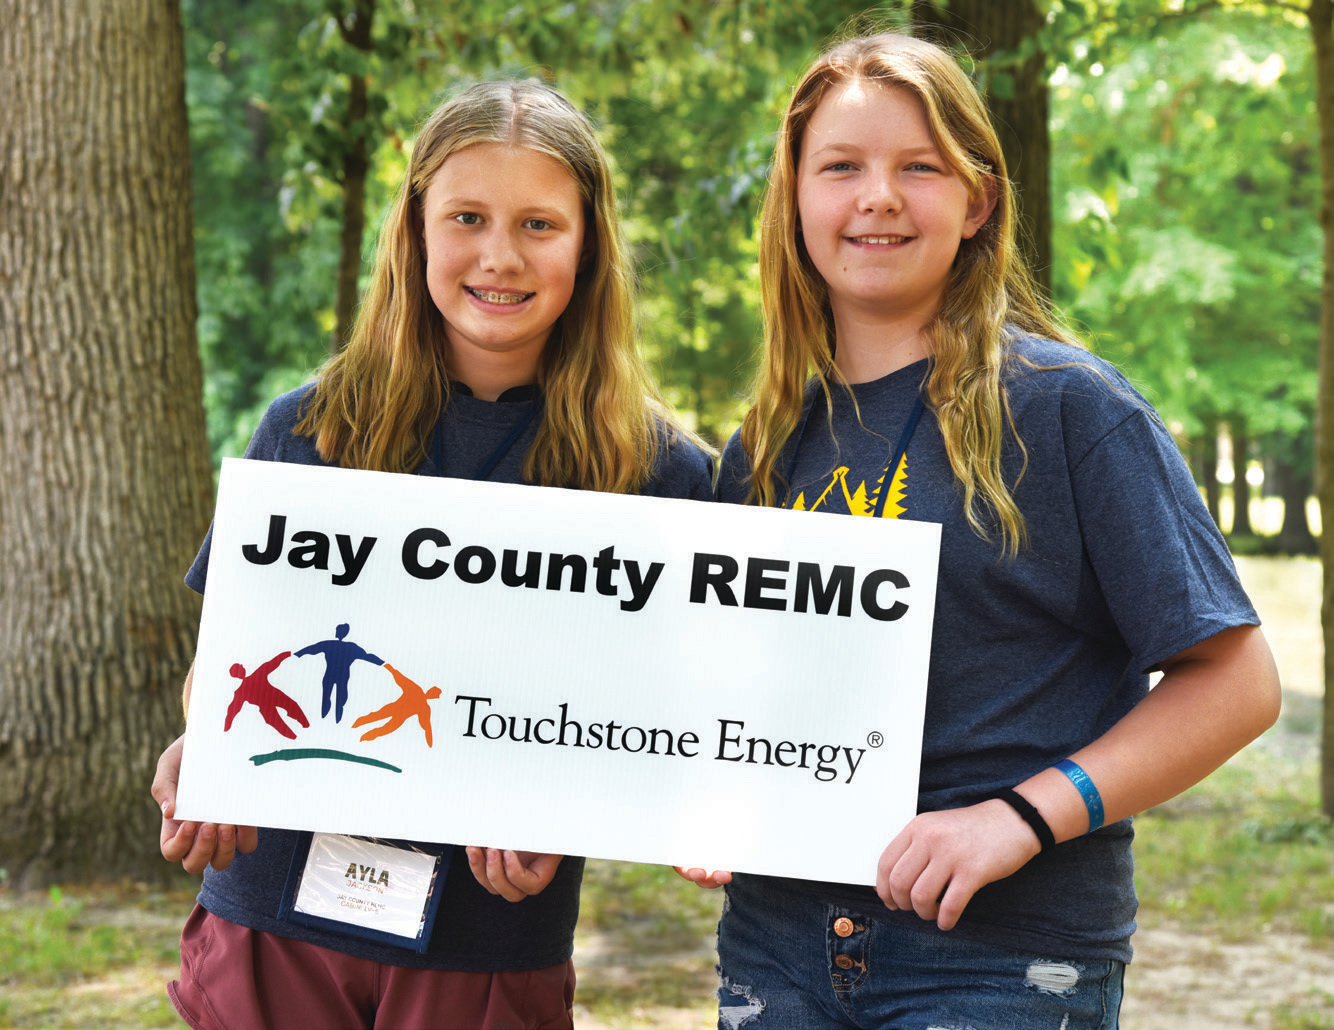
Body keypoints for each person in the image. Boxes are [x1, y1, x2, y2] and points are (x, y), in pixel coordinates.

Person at [677, 32, 1281, 1029]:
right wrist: (718, 796)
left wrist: (1015, 817)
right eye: (840, 167)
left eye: (919, 167)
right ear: (793, 199)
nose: (876, 197)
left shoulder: (1065, 409)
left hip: (1000, 957)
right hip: (775, 948)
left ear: (979, 201)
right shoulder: (763, 442)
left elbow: (1238, 682)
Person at [151, 79, 713, 1030]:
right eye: (467, 217)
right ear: (414, 231)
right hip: (275, 922)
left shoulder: (660, 475)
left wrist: (567, 809)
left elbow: (672, 725)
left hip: (486, 945)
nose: (500, 255)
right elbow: (225, 659)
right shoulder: (309, 427)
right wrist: (208, 743)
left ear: (589, 245)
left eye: (539, 223)